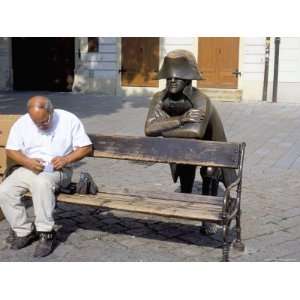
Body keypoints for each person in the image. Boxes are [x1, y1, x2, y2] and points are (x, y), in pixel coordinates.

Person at [145, 49, 236, 235]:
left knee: (210, 170)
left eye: (177, 78)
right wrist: (179, 120)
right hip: (184, 146)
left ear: (188, 79)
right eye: (168, 77)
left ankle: (208, 216)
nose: (172, 80)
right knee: (184, 166)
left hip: (212, 146)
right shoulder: (159, 98)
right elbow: (148, 129)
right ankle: (186, 205)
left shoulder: (201, 100)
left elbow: (195, 131)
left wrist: (162, 126)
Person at [0, 96, 93, 257]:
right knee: (5, 190)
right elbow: (11, 150)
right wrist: (27, 161)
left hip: (59, 169)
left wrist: (66, 159)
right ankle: (23, 231)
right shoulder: (23, 122)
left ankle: (46, 232)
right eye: (36, 123)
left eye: (44, 121)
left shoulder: (68, 119)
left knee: (41, 183)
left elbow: (86, 147)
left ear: (51, 111)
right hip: (29, 167)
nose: (40, 125)